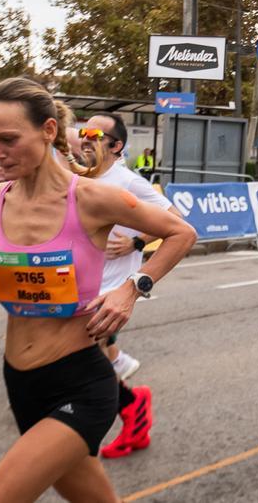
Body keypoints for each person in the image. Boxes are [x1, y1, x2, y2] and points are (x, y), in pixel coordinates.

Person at [0, 77, 195, 503]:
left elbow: (181, 232)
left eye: (9, 139)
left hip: (81, 383)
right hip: (20, 381)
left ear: (48, 131)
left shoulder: (92, 198)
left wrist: (132, 287)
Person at [79, 112, 180, 459]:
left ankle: (132, 409)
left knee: (83, 363)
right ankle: (126, 391)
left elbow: (178, 220)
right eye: (83, 131)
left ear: (116, 145)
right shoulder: (81, 177)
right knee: (89, 361)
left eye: (94, 133)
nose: (85, 138)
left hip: (110, 289)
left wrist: (136, 242)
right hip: (80, 284)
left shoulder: (127, 181)